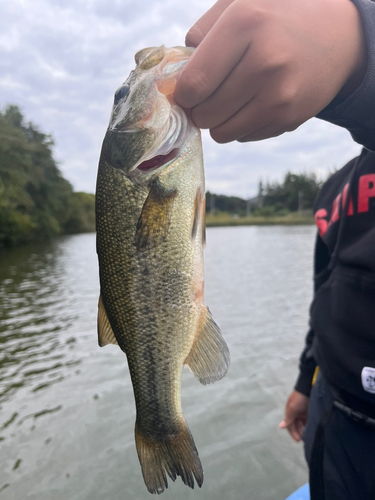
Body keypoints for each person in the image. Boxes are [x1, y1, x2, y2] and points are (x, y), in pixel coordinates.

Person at [174, 0, 375, 499]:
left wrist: (360, 44)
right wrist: (306, 385)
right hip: (334, 419)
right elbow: (323, 301)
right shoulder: (335, 192)